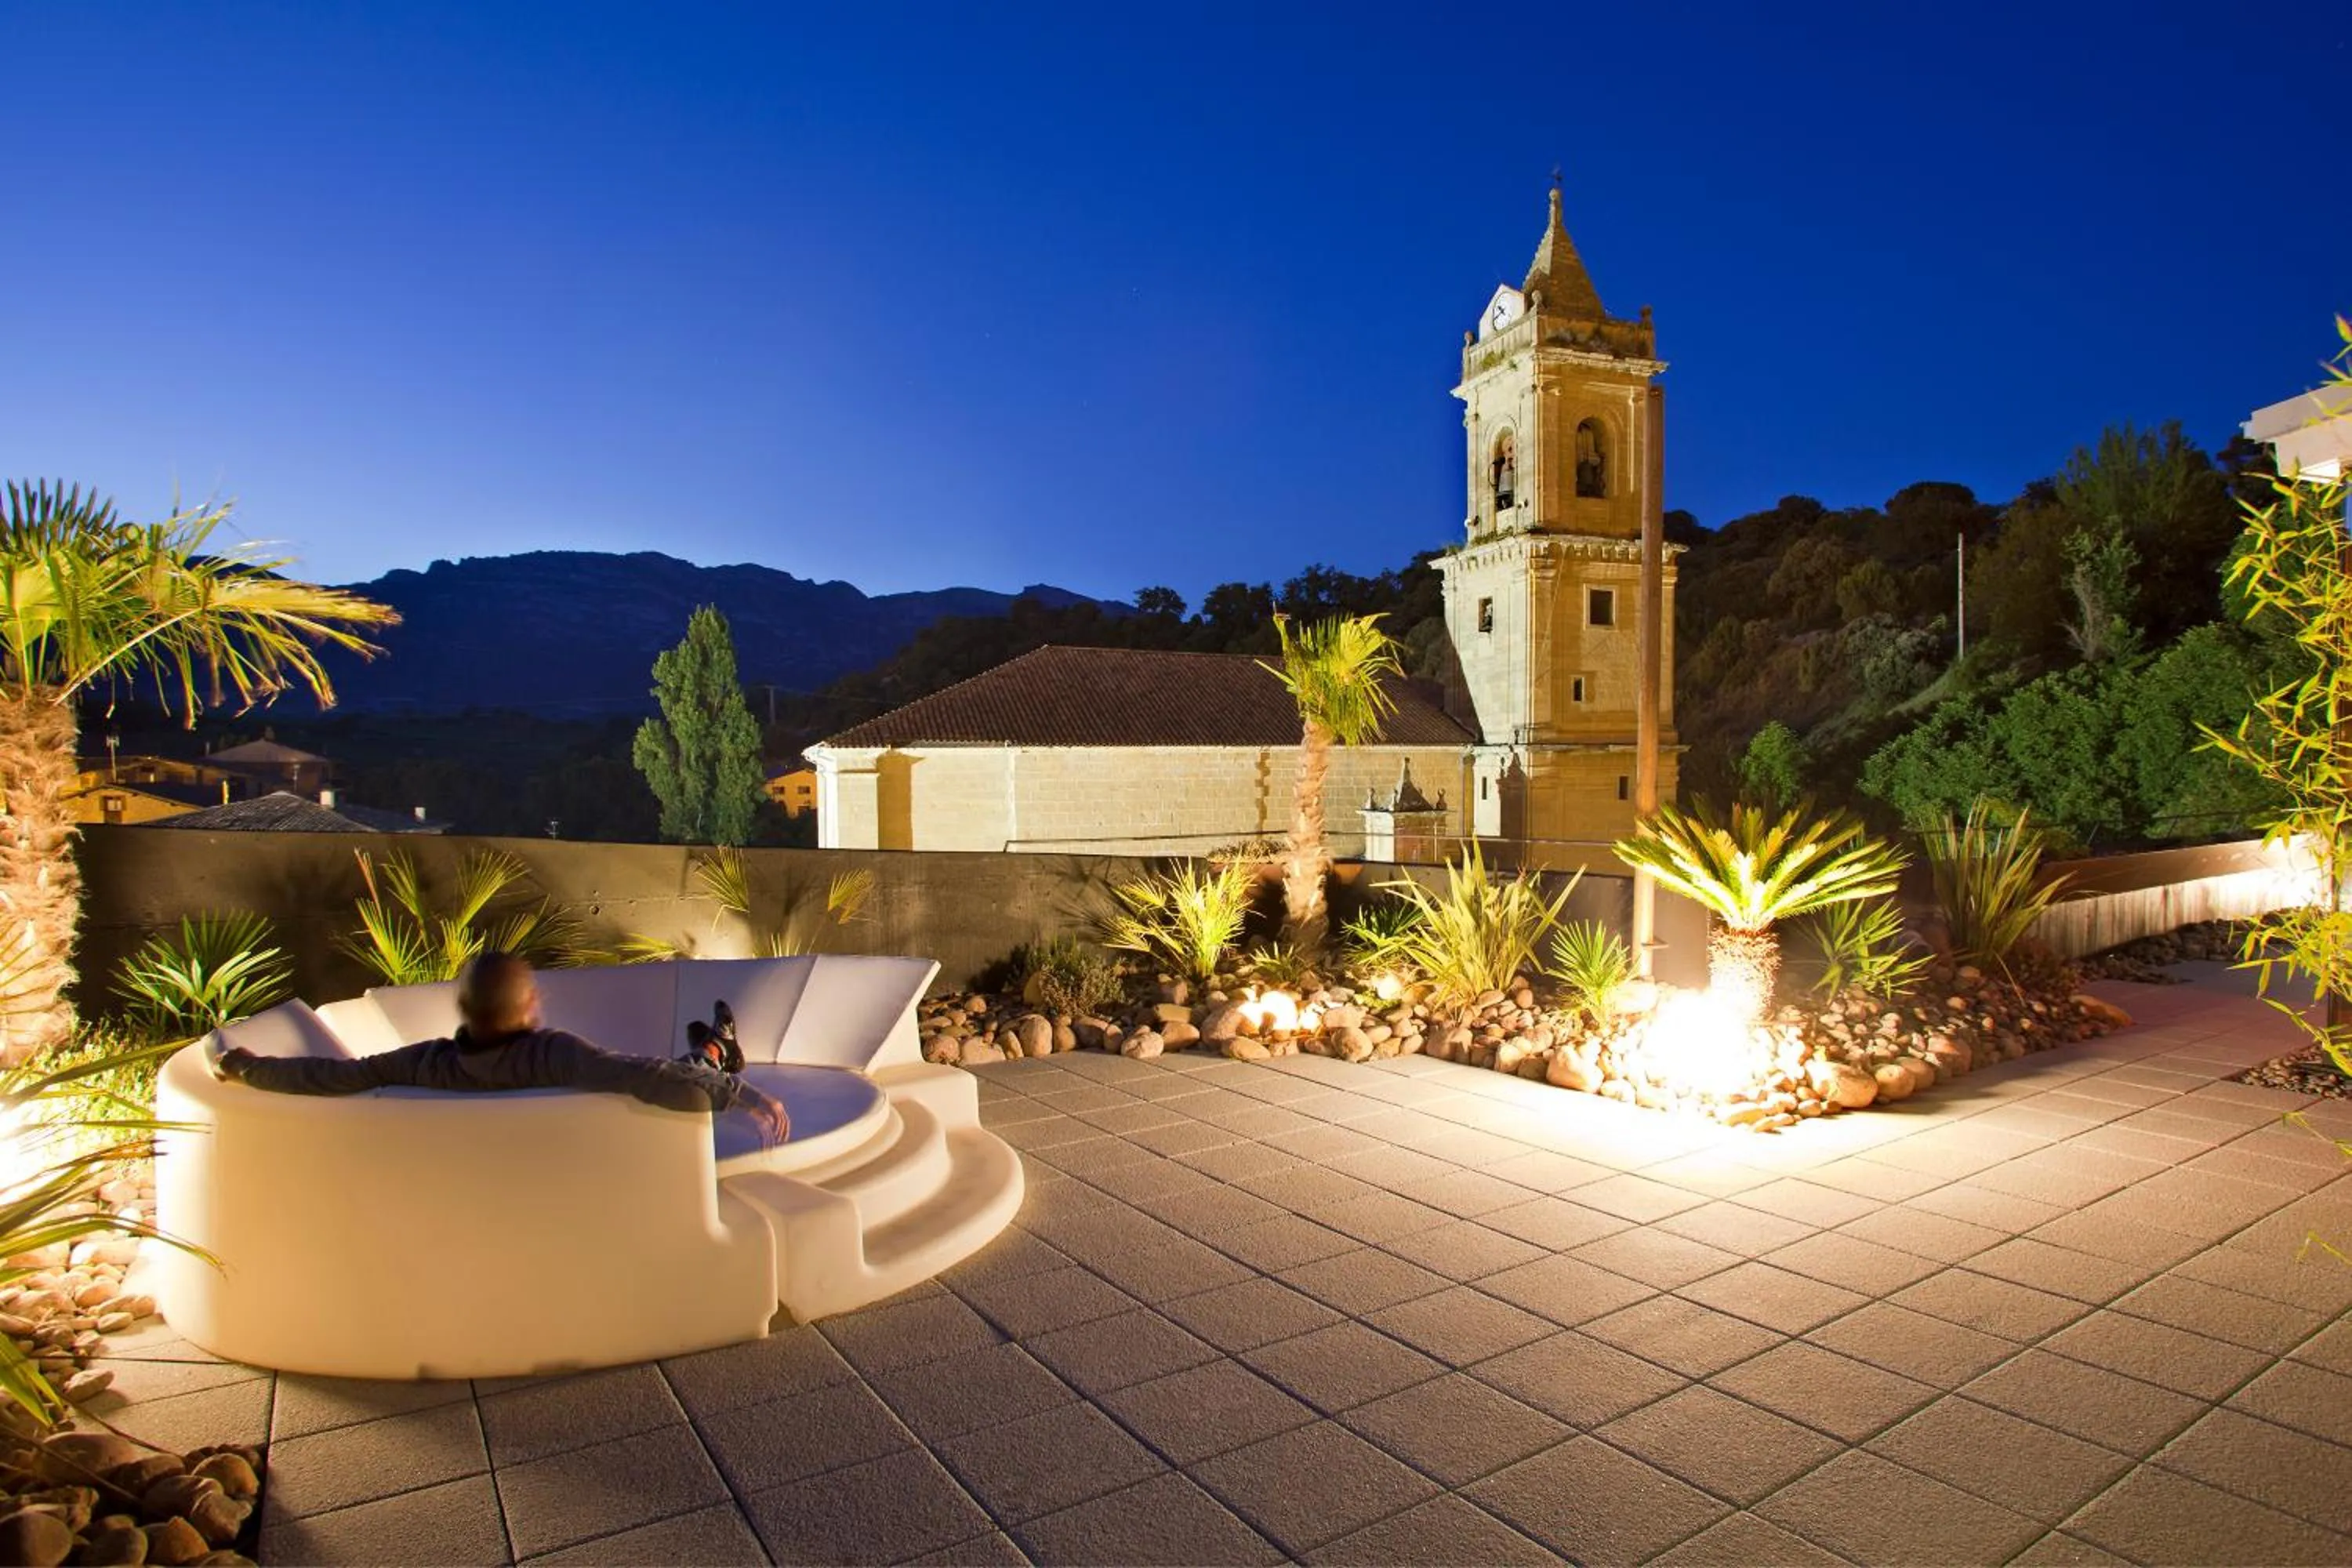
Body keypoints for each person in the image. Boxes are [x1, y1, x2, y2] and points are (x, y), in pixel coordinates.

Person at [207, 951, 790, 1145]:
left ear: (461, 1009)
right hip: (604, 1167)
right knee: (684, 1066)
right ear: (532, 1006)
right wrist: (740, 1093)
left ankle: (715, 1049)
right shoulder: (557, 1055)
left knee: (680, 1065)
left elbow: (330, 1076)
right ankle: (718, 1052)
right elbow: (645, 1074)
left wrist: (243, 1065)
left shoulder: (424, 1066)